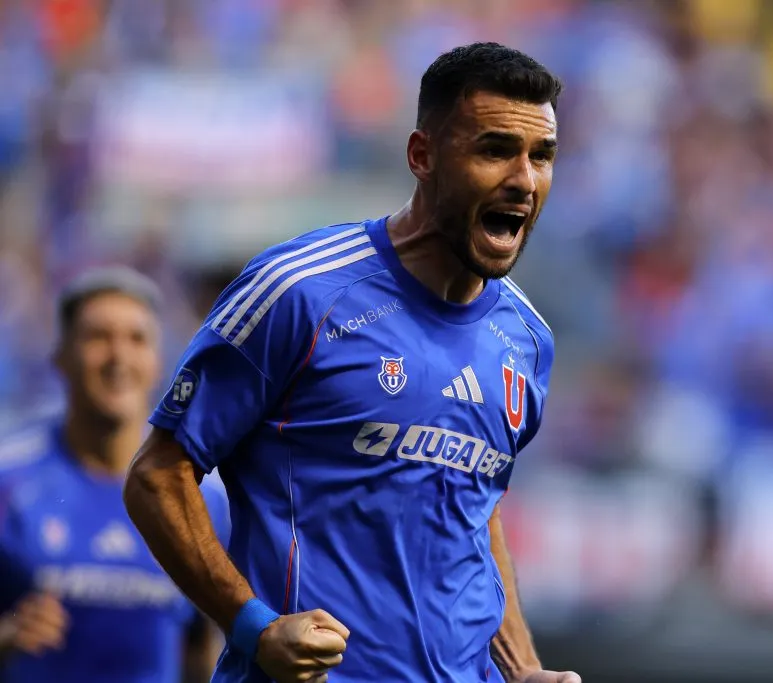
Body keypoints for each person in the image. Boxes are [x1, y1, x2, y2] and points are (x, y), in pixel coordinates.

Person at [123, 42, 581, 683]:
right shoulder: (301, 292)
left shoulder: (527, 339)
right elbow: (157, 476)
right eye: (496, 150)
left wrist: (523, 668)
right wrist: (255, 627)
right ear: (422, 156)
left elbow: (475, 505)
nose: (525, 180)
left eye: (542, 156)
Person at [0, 267, 229, 683]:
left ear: (158, 361)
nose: (118, 358)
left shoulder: (203, 499)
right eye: (98, 337)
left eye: (136, 339)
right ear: (60, 356)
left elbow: (204, 649)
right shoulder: (9, 481)